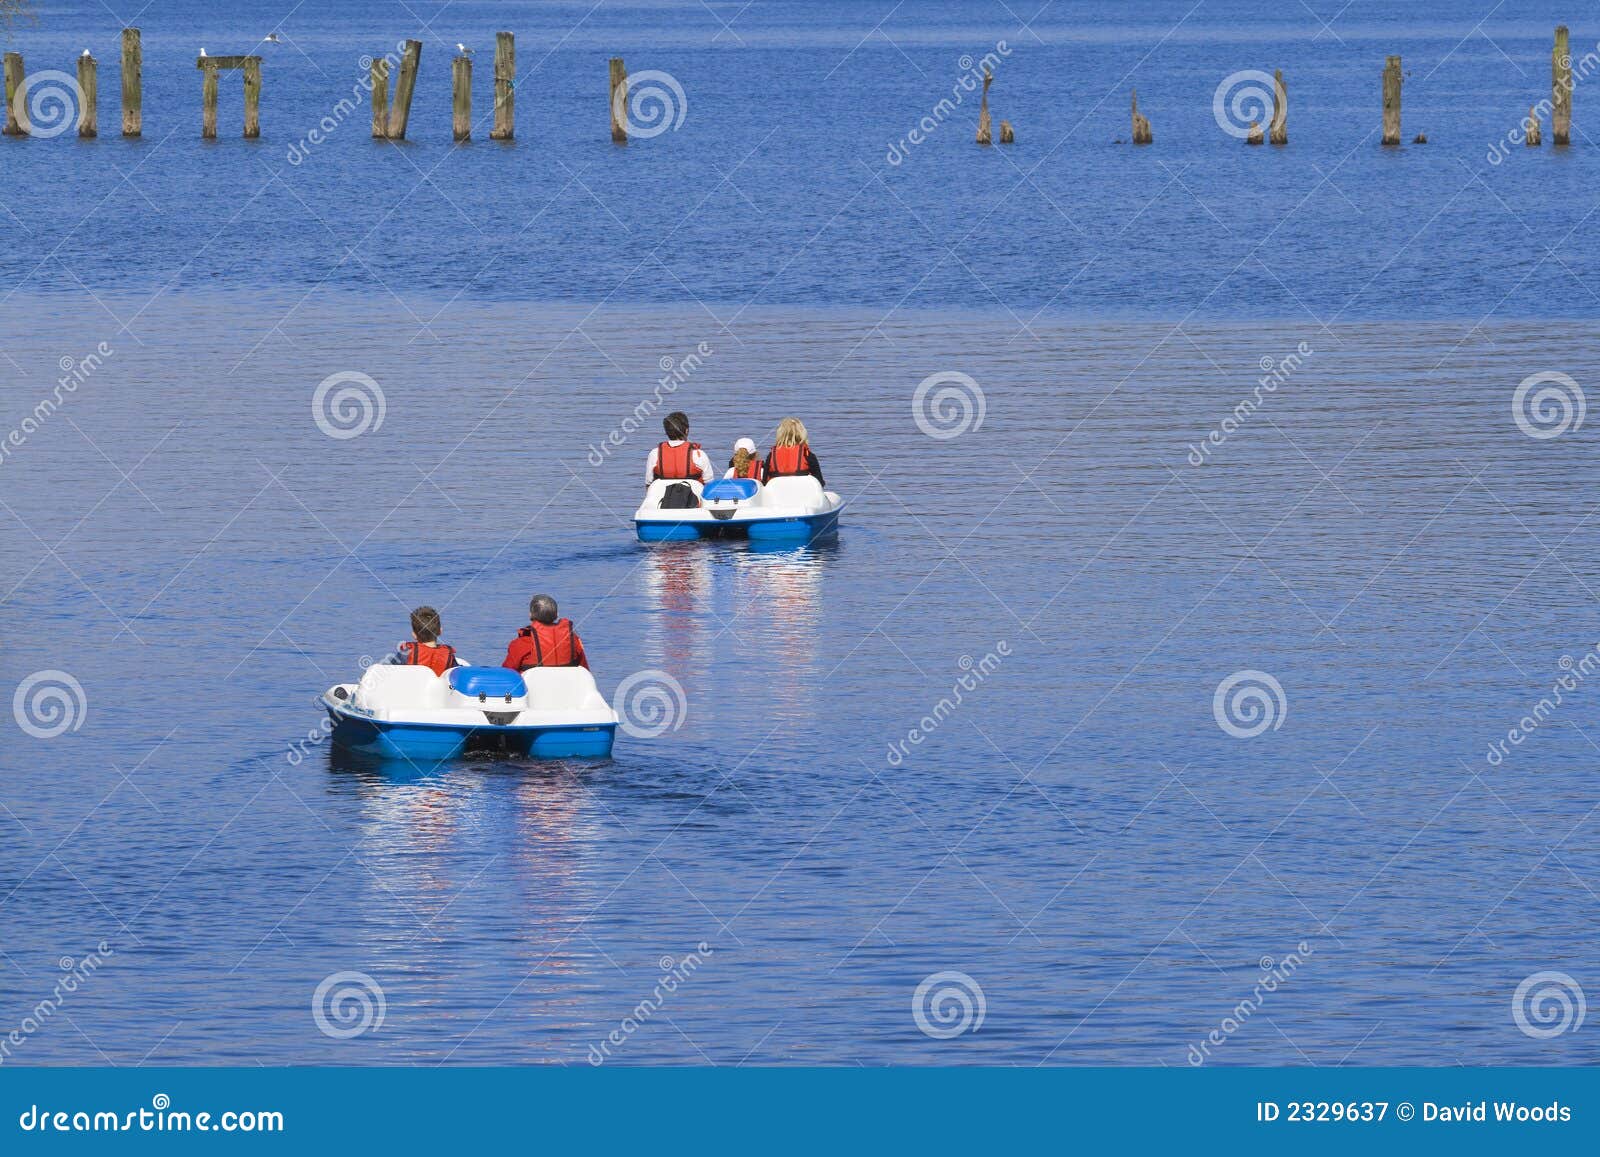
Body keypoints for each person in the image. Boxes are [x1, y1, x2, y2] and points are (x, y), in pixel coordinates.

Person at [502, 594, 590, 671]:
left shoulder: (521, 643)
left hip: (534, 688)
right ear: (557, 615)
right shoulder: (573, 640)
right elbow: (584, 669)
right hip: (566, 687)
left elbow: (507, 673)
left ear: (530, 615)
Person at [645, 411, 713, 486]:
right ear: (686, 431)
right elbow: (709, 483)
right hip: (692, 496)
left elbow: (648, 482)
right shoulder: (699, 454)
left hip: (664, 496)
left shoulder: (654, 453)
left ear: (667, 432)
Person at [397, 606, 460, 674]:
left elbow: (390, 670)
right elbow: (458, 671)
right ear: (440, 631)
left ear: (414, 635)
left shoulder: (407, 652)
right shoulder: (449, 655)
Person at [763, 417, 826, 485]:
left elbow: (764, 482)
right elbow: (820, 483)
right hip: (802, 492)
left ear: (780, 434)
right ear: (802, 433)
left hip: (778, 494)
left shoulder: (771, 456)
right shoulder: (807, 455)